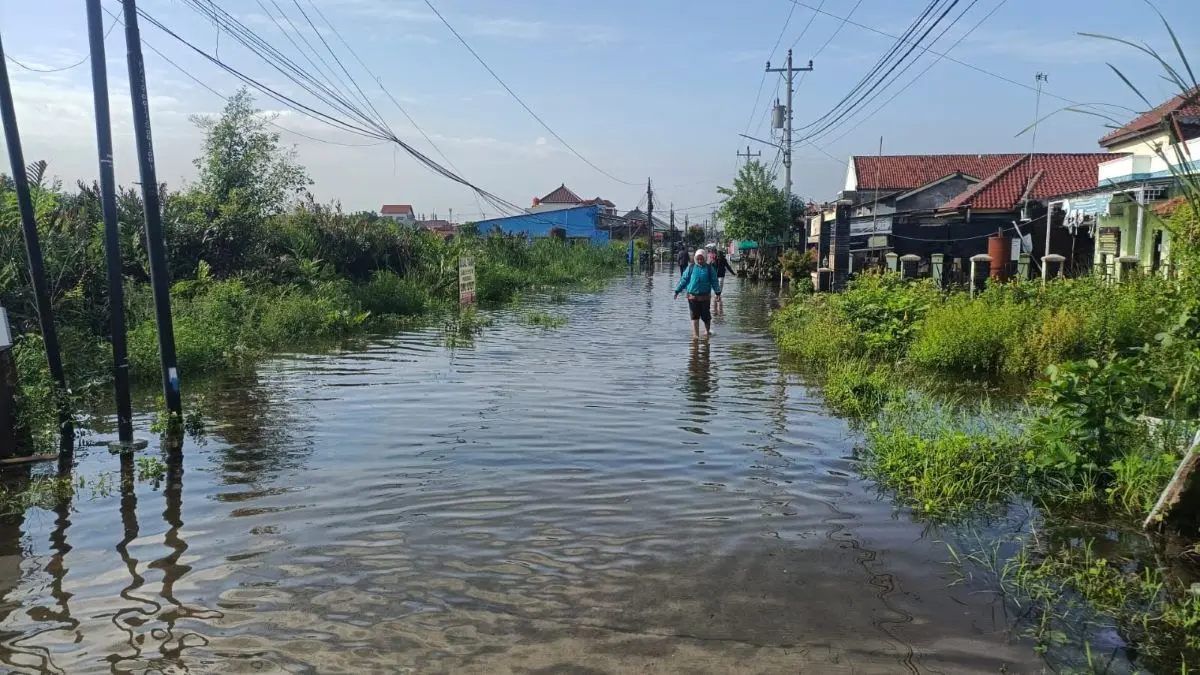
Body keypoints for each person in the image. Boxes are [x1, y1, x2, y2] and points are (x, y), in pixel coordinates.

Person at [674, 249, 721, 340]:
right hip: (692, 297)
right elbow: (684, 280)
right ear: (695, 259)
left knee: (706, 316)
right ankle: (696, 335)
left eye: (701, 259)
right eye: (698, 259)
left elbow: (714, 281)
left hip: (705, 297)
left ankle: (707, 331)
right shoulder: (691, 267)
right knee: (694, 316)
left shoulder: (709, 268)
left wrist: (718, 292)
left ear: (705, 258)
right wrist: (677, 290)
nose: (700, 261)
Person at [712, 250, 735, 314]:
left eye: (720, 256)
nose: (719, 257)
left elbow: (728, 267)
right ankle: (717, 296)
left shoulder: (724, 260)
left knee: (720, 284)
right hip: (715, 276)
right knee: (716, 286)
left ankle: (718, 295)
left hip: (721, 275)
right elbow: (709, 268)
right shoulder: (714, 261)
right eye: (718, 256)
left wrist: (733, 273)